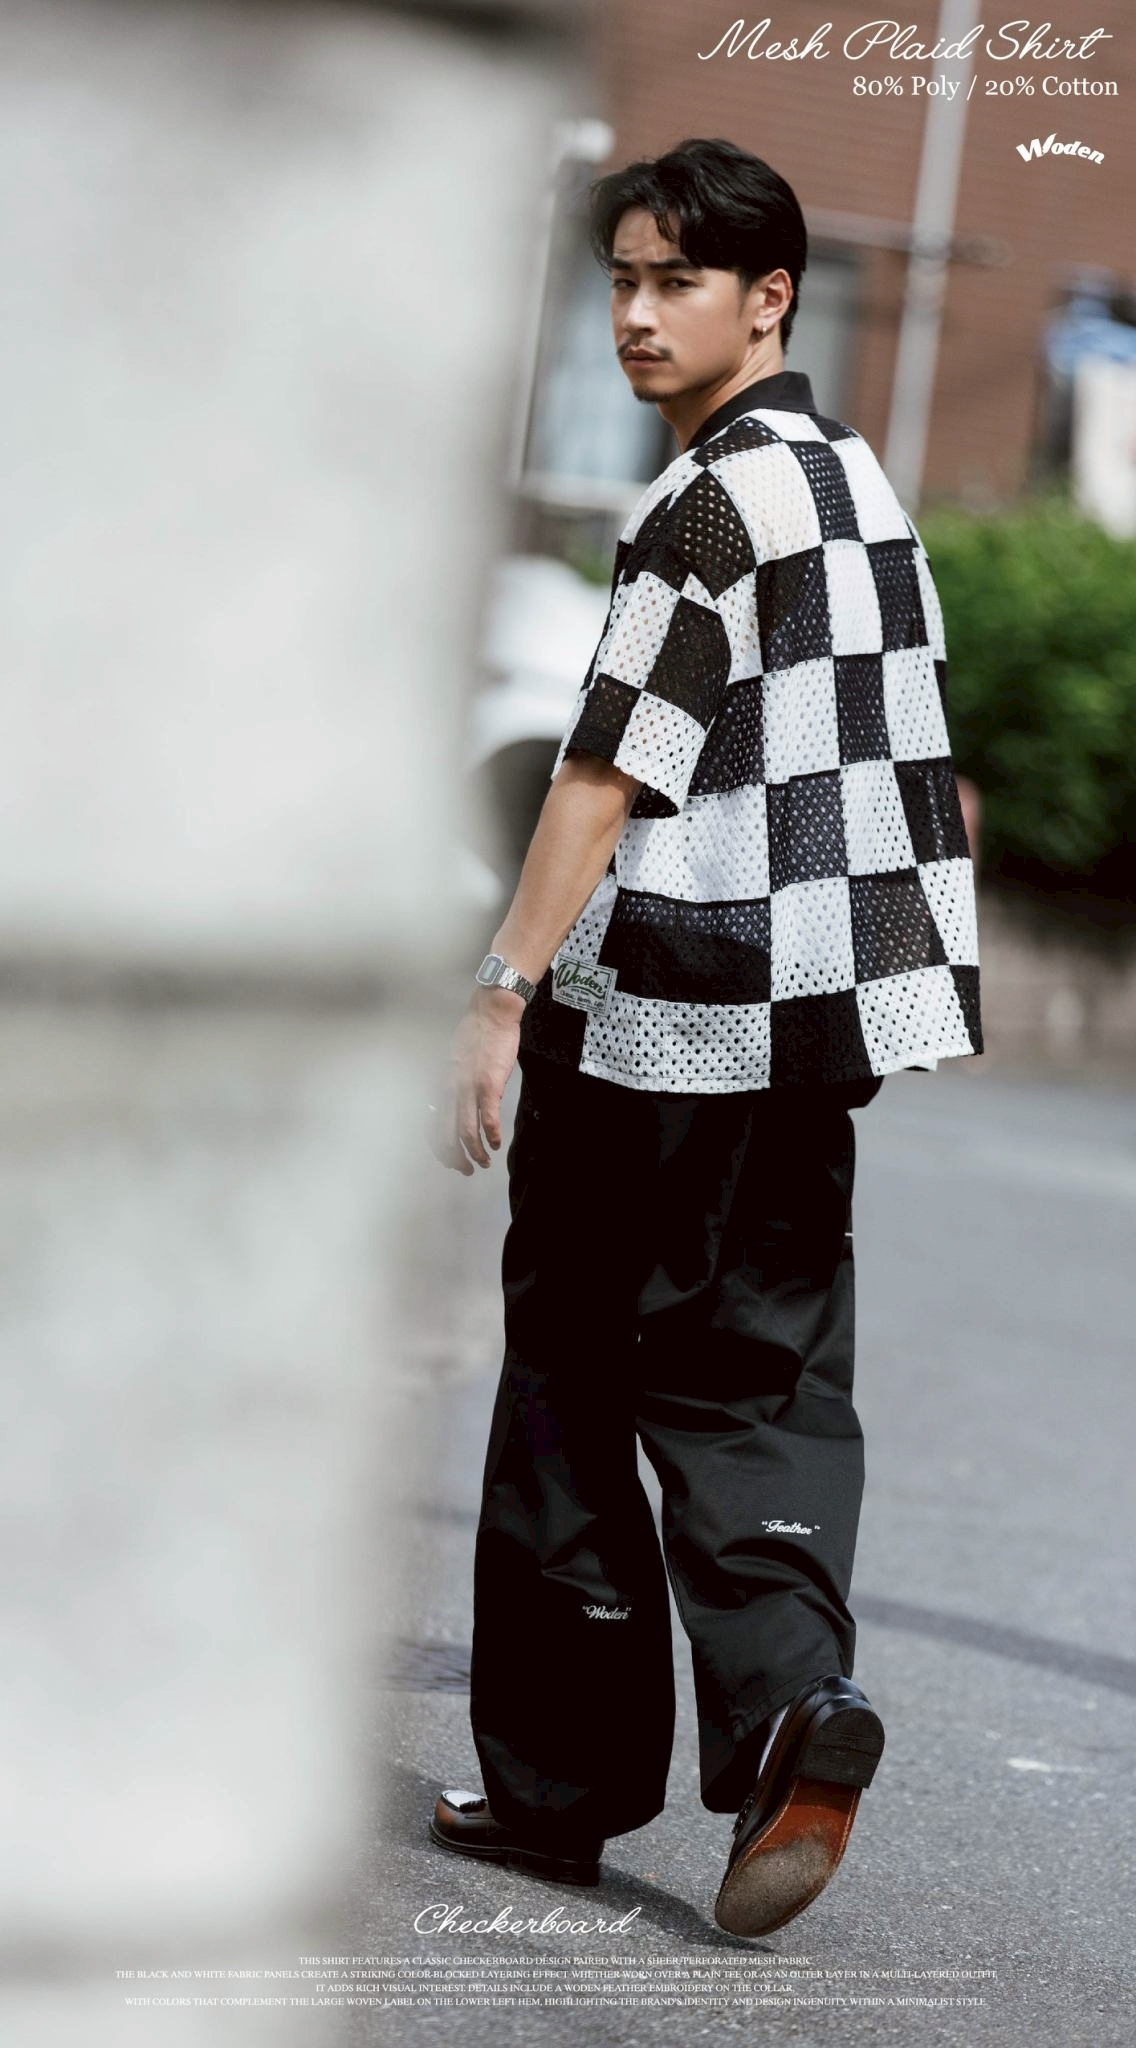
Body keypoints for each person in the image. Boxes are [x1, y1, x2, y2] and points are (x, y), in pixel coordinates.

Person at [427, 136, 982, 1938]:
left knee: (572, 1385)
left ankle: (557, 1790)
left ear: (770, 298)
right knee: (761, 1380)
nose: (639, 315)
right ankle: (797, 1707)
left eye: (678, 281)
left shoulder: (709, 504)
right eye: (622, 280)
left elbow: (606, 774)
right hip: (812, 1026)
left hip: (657, 1018)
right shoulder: (858, 483)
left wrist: (501, 989)